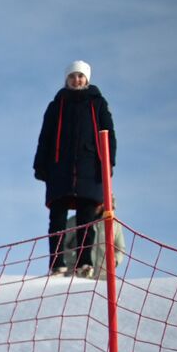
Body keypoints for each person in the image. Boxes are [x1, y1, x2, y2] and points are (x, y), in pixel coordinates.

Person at [34, 60, 117, 277]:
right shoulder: (56, 105)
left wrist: (109, 163)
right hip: (59, 168)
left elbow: (109, 134)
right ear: (67, 79)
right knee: (57, 219)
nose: (76, 80)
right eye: (73, 76)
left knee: (86, 220)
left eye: (80, 76)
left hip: (90, 169)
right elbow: (45, 137)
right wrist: (41, 165)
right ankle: (57, 263)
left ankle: (84, 263)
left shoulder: (97, 103)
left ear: (87, 79)